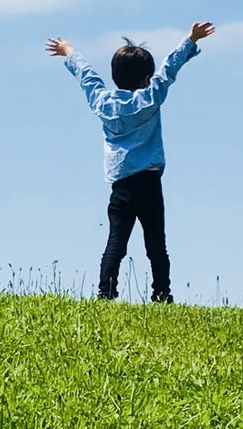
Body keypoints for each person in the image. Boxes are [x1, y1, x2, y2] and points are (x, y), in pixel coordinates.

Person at [45, 22, 215, 302]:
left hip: (121, 184)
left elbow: (87, 77)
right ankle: (161, 294)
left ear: (114, 77)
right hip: (149, 182)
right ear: (146, 78)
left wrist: (69, 52)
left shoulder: (103, 102)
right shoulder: (150, 98)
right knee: (156, 244)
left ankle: (106, 291)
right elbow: (169, 69)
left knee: (116, 241)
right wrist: (190, 39)